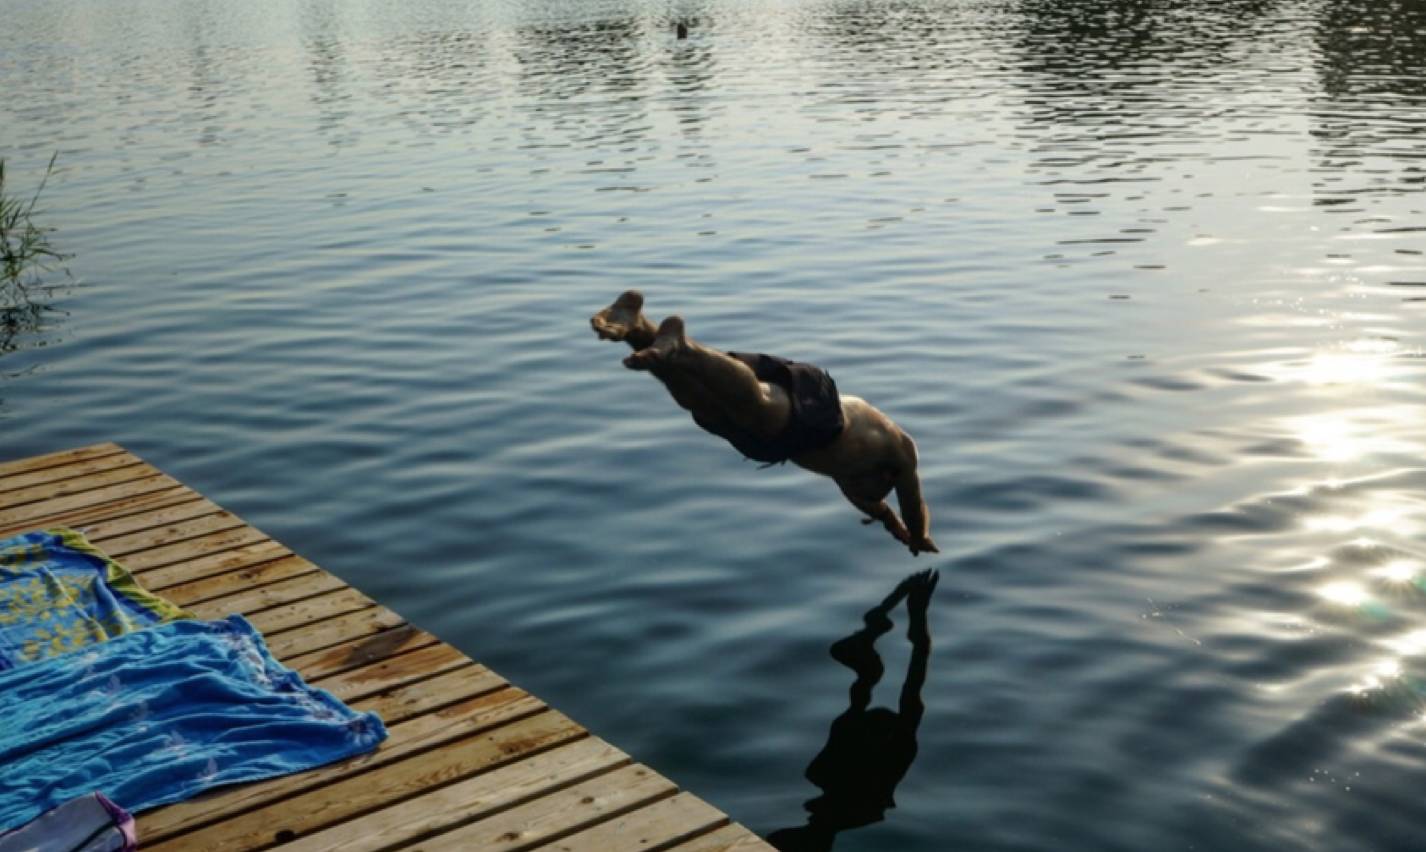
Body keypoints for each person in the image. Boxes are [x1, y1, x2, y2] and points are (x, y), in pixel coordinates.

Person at [591, 290, 937, 555]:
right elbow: (913, 503)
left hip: (787, 440)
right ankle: (684, 348)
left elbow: (887, 511)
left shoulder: (862, 489)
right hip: (820, 411)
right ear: (885, 476)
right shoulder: (900, 452)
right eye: (871, 491)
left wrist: (894, 527)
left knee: (705, 409)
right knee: (755, 406)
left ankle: (639, 329)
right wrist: (919, 536)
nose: (858, 492)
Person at [767, 568, 939, 851]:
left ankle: (870, 640)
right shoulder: (891, 750)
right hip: (857, 784)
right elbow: (916, 670)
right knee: (861, 696)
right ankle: (870, 640)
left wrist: (897, 602)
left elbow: (915, 671)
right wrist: (916, 612)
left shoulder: (846, 762)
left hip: (850, 782)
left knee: (860, 696)